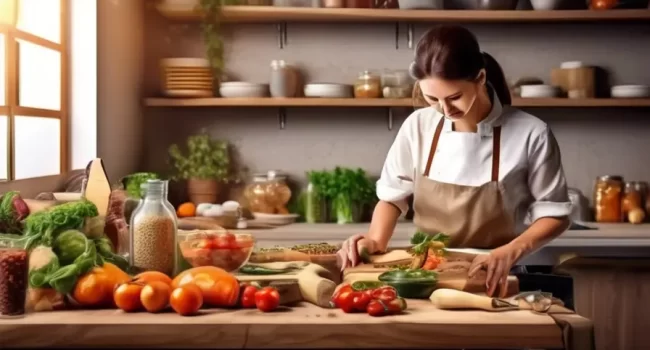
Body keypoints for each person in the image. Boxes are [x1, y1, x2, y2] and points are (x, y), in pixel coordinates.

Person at [337, 24, 572, 298]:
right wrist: (375, 239)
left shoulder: (531, 133)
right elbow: (392, 198)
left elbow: (555, 214)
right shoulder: (417, 126)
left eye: (454, 97)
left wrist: (511, 251)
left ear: (481, 77)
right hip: (425, 275)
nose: (445, 110)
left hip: (499, 276)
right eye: (432, 98)